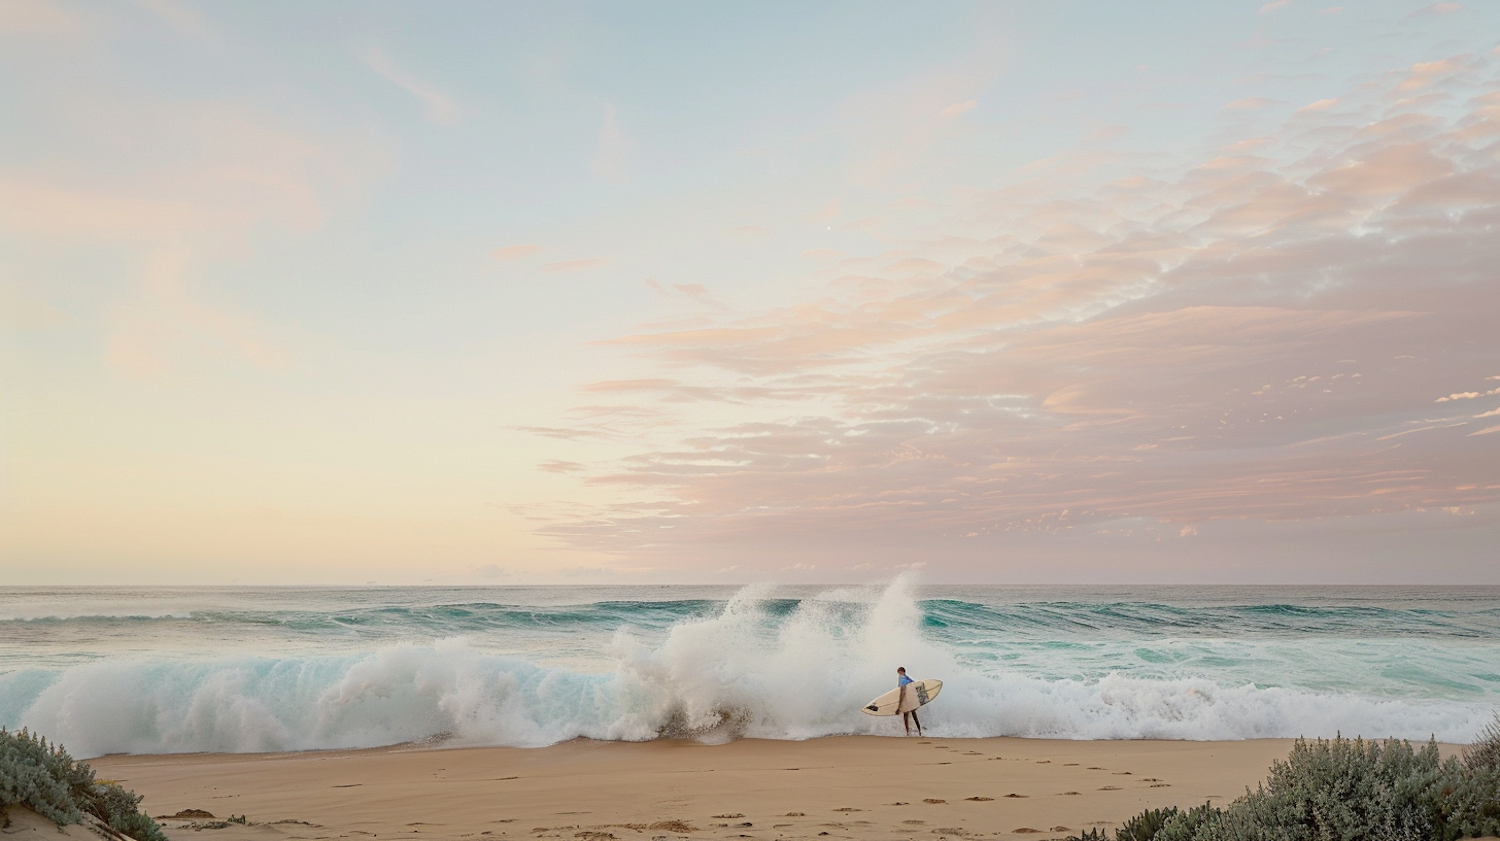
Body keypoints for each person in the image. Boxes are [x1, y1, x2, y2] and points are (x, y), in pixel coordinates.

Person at [896, 666, 922, 735]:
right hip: (912, 697)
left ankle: (907, 732)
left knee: (905, 715)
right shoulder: (908, 678)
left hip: (906, 698)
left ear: (901, 672)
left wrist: (899, 706)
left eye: (899, 672)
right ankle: (919, 730)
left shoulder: (902, 679)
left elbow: (902, 692)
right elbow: (914, 686)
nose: (898, 674)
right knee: (913, 714)